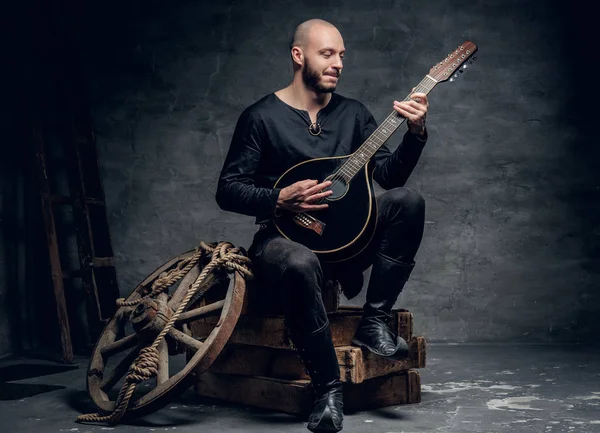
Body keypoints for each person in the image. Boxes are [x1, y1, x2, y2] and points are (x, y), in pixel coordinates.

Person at [216, 18, 428, 433]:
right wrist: (279, 197)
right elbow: (228, 189)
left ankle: (374, 323)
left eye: (341, 56)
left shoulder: (353, 114)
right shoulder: (261, 117)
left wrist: (416, 132)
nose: (337, 64)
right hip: (282, 239)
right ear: (299, 56)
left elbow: (390, 176)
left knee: (408, 202)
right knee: (297, 262)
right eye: (326, 54)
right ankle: (328, 389)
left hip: (349, 242)